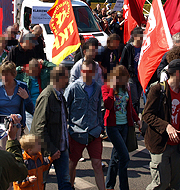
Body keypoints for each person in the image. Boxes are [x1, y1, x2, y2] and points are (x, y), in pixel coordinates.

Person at [142, 59, 180, 190]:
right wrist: (166, 127)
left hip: (177, 146)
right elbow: (147, 115)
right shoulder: (157, 90)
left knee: (177, 184)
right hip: (161, 144)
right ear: (176, 73)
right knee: (160, 184)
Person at [30, 66, 73, 190]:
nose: (68, 80)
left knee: (65, 183)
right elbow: (39, 128)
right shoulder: (47, 96)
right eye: (66, 77)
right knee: (40, 183)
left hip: (62, 148)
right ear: (59, 78)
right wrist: (52, 150)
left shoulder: (60, 96)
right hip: (46, 150)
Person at [65, 59, 105, 190]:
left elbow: (99, 109)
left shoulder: (98, 88)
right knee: (72, 163)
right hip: (76, 132)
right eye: (84, 71)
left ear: (94, 72)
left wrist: (101, 127)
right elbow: (64, 108)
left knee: (97, 164)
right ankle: (70, 186)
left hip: (94, 131)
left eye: (89, 71)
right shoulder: (73, 88)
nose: (86, 74)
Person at [102, 65, 140, 190]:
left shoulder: (126, 89)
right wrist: (113, 89)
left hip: (124, 125)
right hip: (112, 126)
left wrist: (137, 120)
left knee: (115, 157)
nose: (125, 81)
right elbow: (107, 104)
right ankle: (124, 187)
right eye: (122, 78)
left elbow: (130, 107)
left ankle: (109, 185)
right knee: (124, 156)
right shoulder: (106, 87)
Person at [0, 61, 34, 147]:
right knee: (0, 149)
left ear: (14, 74)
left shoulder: (22, 87)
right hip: (0, 126)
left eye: (7, 74)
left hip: (16, 124)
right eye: (2, 74)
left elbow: (31, 109)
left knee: (15, 151)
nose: (4, 77)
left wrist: (26, 98)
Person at [16, 58, 55, 130]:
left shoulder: (44, 74)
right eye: (32, 70)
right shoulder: (24, 75)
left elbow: (56, 68)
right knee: (32, 130)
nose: (34, 72)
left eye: (36, 70)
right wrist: (20, 68)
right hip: (29, 108)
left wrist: (44, 63)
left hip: (42, 107)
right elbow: (12, 72)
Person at [120, 27, 144, 113]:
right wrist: (126, 75)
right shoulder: (128, 48)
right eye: (139, 36)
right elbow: (122, 63)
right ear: (135, 36)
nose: (141, 38)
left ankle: (135, 117)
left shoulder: (144, 48)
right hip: (131, 76)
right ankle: (134, 117)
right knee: (134, 99)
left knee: (138, 98)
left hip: (140, 77)